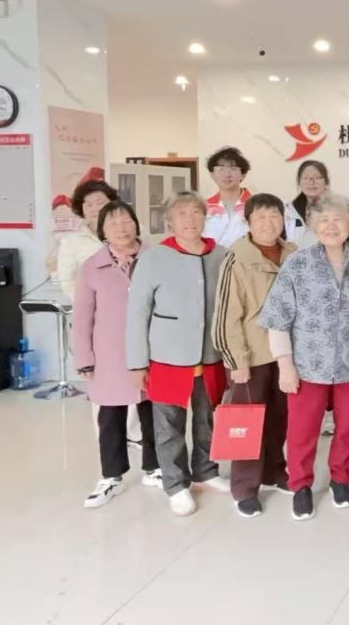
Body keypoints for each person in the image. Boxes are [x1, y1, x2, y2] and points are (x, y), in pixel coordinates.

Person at [258, 194, 349, 521]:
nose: (331, 226)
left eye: (338, 219)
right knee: (302, 430)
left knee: (348, 426)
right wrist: (285, 365)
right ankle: (301, 484)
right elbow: (278, 318)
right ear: (312, 225)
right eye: (323, 220)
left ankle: (341, 478)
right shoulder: (298, 263)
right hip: (306, 365)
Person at [126, 192, 229, 517]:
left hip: (211, 354)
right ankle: (175, 483)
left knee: (207, 418)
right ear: (169, 221)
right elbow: (137, 313)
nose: (190, 219)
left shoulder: (221, 255)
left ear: (205, 218)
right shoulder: (154, 258)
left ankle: (206, 471)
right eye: (182, 213)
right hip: (167, 357)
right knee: (168, 424)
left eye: (196, 212)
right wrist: (137, 363)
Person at [212, 193, 297, 518]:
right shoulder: (237, 258)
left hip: (286, 354)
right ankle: (245, 487)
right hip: (252, 355)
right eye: (260, 217)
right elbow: (226, 315)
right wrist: (237, 360)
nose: (268, 223)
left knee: (280, 417)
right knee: (247, 423)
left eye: (274, 216)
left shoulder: (293, 254)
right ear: (247, 222)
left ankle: (274, 471)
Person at [74, 201, 161, 508]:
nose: (121, 228)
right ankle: (111, 476)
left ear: (136, 224)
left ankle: (154, 467)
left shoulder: (156, 258)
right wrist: (84, 357)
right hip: (108, 354)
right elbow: (82, 317)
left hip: (152, 351)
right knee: (110, 416)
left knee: (153, 412)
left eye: (126, 221)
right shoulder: (91, 267)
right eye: (112, 224)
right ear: (102, 231)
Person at [58, 178, 119, 298]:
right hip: (91, 304)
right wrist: (86, 303)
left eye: (100, 202)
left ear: (113, 203)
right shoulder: (71, 241)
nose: (95, 209)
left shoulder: (132, 230)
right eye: (89, 205)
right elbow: (68, 282)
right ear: (82, 209)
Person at [203, 146, 253, 248]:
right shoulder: (203, 207)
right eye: (221, 169)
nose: (227, 174)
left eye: (233, 169)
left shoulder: (257, 206)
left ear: (243, 175)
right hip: (212, 257)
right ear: (212, 174)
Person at [284, 160, 329, 244]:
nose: (311, 182)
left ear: (326, 181)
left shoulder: (338, 210)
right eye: (306, 178)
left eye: (317, 177)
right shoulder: (288, 211)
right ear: (299, 182)